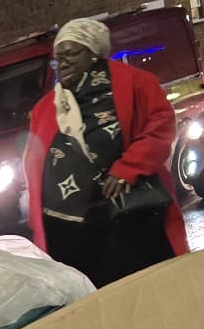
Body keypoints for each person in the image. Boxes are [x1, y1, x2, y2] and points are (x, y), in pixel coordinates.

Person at [24, 16, 188, 288]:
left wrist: (128, 168)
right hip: (71, 232)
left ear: (93, 54)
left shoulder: (135, 83)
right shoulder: (46, 107)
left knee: (147, 288)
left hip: (130, 219)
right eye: (57, 57)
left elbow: (161, 126)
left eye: (71, 54)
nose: (62, 62)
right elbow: (35, 167)